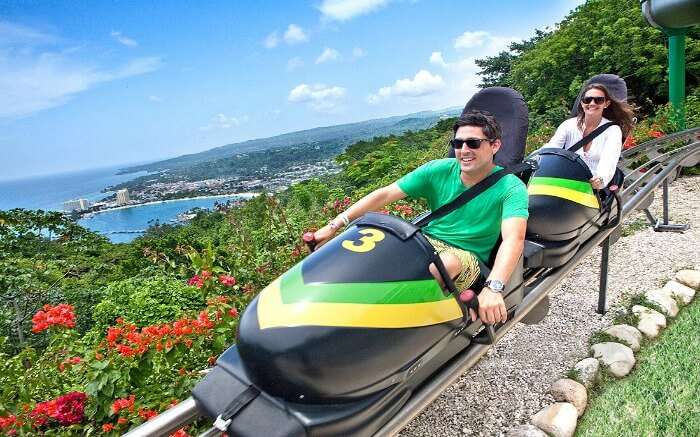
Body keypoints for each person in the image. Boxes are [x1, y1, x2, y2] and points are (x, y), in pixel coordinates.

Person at [313, 110, 529, 325]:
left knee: (442, 265)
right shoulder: (438, 170)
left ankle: (384, 321)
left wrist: (493, 288)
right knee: (378, 248)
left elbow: (513, 239)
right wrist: (334, 226)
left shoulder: (511, 187)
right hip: (426, 242)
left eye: (473, 143)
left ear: (494, 145)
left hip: (465, 257)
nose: (464, 150)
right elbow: (386, 193)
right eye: (458, 143)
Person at [539, 83, 634, 189]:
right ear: (582, 103)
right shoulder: (568, 125)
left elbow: (609, 161)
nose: (592, 103)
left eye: (598, 100)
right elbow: (552, 148)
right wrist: (534, 160)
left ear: (606, 103)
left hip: (592, 186)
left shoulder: (612, 131)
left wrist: (600, 179)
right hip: (566, 181)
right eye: (587, 99)